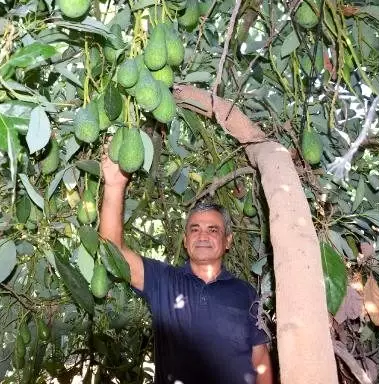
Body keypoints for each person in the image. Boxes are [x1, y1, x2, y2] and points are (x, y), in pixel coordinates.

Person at [99, 152, 273, 384]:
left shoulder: (245, 292)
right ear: (185, 239)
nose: (202, 236)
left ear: (228, 241)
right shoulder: (162, 281)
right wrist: (114, 184)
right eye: (194, 229)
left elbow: (260, 359)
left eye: (213, 230)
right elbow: (114, 253)